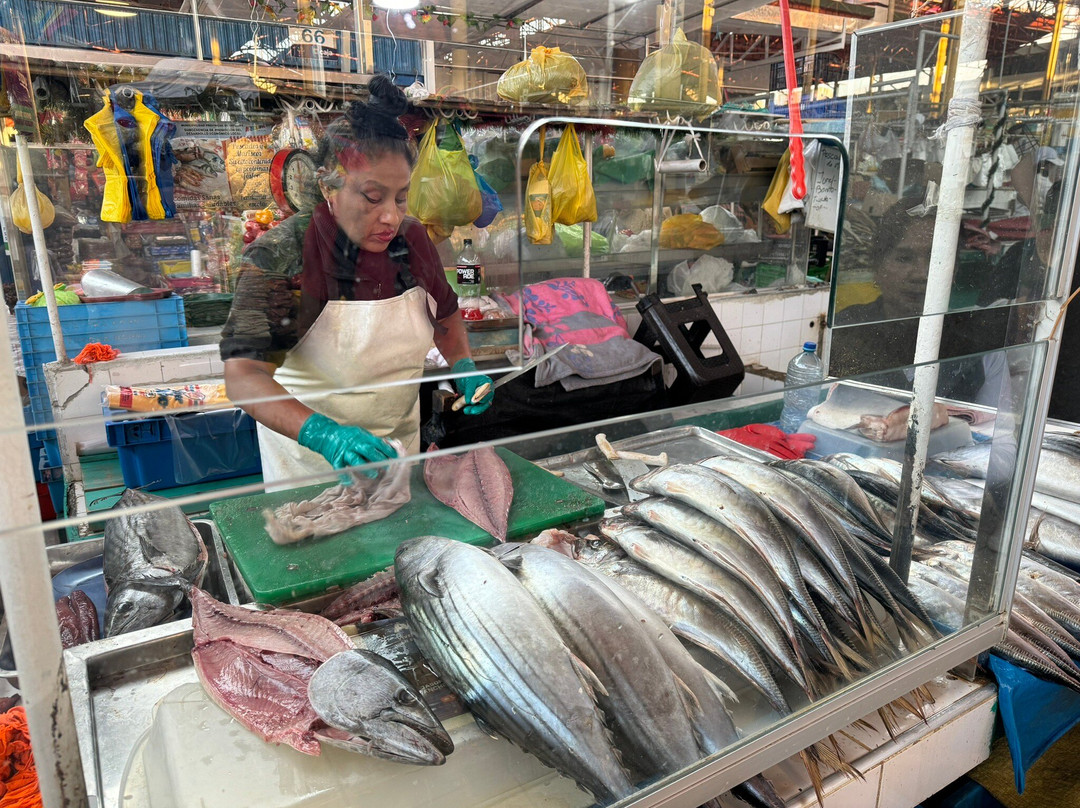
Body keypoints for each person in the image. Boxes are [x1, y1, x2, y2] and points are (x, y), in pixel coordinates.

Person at [220, 75, 493, 484]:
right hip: (311, 470)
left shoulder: (412, 239)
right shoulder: (283, 254)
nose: (391, 217)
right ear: (329, 185)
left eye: (400, 197)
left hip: (399, 459)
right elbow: (243, 377)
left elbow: (446, 316)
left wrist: (464, 365)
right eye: (372, 197)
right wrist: (323, 435)